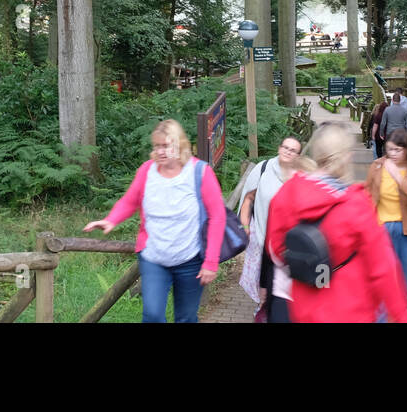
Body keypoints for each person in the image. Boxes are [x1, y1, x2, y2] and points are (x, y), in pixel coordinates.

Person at [266, 122, 407, 323]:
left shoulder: (288, 193)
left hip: (303, 308)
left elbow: (276, 251)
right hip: (350, 311)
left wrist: (314, 267)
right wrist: (402, 315)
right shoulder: (357, 205)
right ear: (347, 157)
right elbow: (384, 269)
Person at [84, 119, 225, 322]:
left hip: (190, 259)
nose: (160, 151)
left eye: (166, 146)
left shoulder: (200, 172)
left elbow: (217, 216)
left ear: (180, 144)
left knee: (186, 317)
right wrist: (111, 220)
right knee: (152, 315)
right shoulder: (146, 170)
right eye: (157, 146)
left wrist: (211, 262)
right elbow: (130, 201)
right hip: (153, 257)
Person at [365, 128, 407, 310]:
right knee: (379, 288)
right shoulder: (377, 166)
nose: (392, 154)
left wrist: (399, 178)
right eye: (389, 149)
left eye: (397, 150)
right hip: (381, 233)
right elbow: (367, 196)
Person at [238, 136, 303, 322]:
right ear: (279, 147)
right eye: (286, 147)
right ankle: (262, 310)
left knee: (282, 287)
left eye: (293, 150)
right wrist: (245, 227)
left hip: (288, 243)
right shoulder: (264, 169)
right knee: (264, 285)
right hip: (263, 239)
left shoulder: (300, 176)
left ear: (298, 156)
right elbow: (248, 199)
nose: (288, 152)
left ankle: (276, 311)